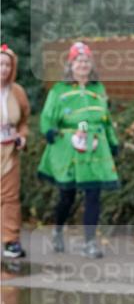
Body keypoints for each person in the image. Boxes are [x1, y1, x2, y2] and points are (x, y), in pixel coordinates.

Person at [37, 41, 120, 258]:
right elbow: (47, 116)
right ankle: (57, 230)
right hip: (68, 147)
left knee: (93, 193)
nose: (83, 65)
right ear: (71, 64)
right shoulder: (59, 90)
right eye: (78, 61)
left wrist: (112, 142)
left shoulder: (98, 89)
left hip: (95, 146)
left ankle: (89, 243)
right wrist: (49, 131)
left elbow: (106, 119)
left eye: (86, 61)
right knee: (67, 195)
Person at [0, 44, 30, 259]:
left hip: (9, 151)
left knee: (10, 197)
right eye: (0, 64)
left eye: (7, 65)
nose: (3, 69)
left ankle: (11, 241)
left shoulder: (17, 92)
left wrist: (22, 136)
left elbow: (24, 121)